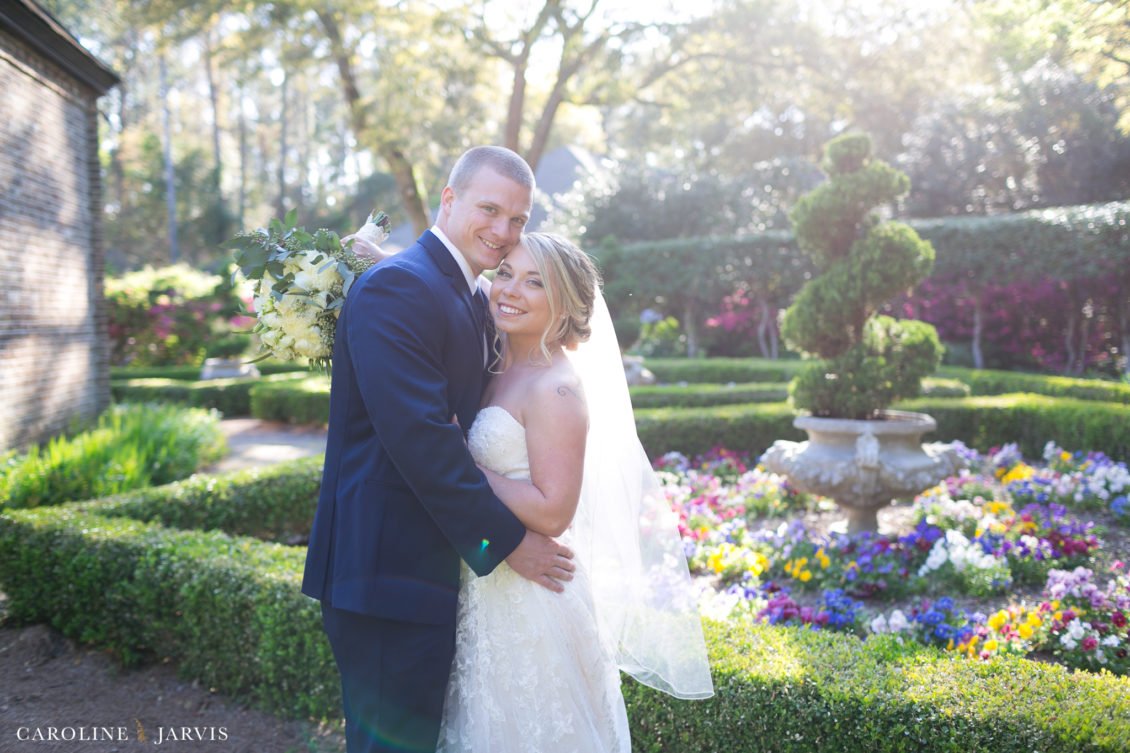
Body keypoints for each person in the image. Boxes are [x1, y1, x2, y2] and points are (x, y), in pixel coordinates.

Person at [301, 147, 576, 753]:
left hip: (427, 573)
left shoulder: (465, 292)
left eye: (518, 219)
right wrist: (507, 543)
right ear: (448, 200)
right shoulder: (400, 287)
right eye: (489, 209)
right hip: (386, 574)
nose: (503, 231)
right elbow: (423, 442)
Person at [436, 233, 714, 753]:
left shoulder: (556, 388)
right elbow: (462, 283)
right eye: (505, 273)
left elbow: (553, 512)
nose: (510, 290)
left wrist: (462, 462)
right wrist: (384, 260)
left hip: (532, 601)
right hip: (490, 586)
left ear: (563, 305)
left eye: (534, 282)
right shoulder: (502, 357)